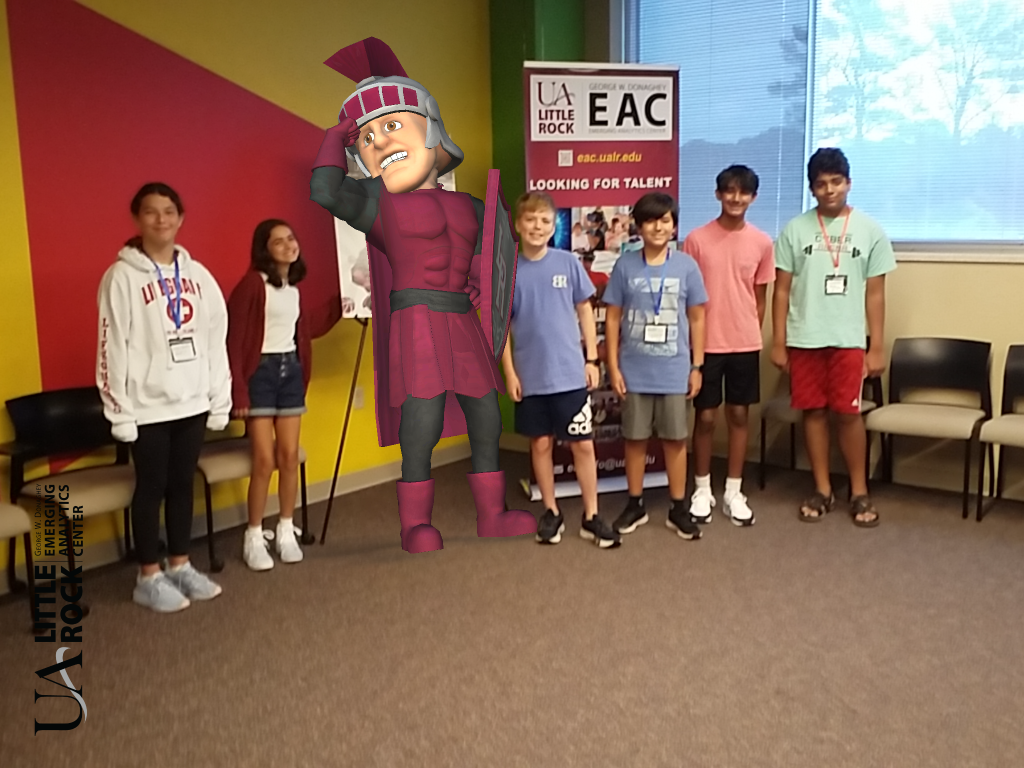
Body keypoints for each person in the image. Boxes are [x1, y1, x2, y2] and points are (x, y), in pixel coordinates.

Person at [309, 37, 535, 554]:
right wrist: (335, 134)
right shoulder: (376, 205)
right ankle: (415, 525)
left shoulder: (473, 207)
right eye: (366, 139)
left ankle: (492, 513)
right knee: (424, 418)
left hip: (462, 317)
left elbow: (491, 271)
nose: (381, 143)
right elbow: (324, 191)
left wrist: (488, 305)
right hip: (416, 315)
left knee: (485, 415)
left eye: (392, 126)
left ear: (433, 133)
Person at [96, 182, 231, 613]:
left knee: (181, 485)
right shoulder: (121, 277)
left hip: (191, 402)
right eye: (151, 212)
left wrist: (219, 398)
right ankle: (148, 575)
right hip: (147, 407)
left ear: (181, 217)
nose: (161, 219)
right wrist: (119, 411)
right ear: (138, 219)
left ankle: (179, 563)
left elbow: (216, 340)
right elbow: (111, 346)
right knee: (151, 486)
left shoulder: (198, 275)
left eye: (169, 211)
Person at [771, 147, 895, 527]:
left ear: (848, 183)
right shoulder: (795, 229)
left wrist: (876, 347)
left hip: (848, 340)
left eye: (836, 182)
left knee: (848, 414)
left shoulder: (870, 231)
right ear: (812, 189)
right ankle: (822, 489)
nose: (829, 190)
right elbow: (780, 290)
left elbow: (875, 293)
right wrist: (778, 341)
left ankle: (859, 491)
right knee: (813, 412)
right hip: (804, 336)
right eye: (821, 184)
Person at [501, 191, 620, 548]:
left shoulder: (567, 263)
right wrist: (510, 373)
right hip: (531, 376)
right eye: (531, 220)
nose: (538, 227)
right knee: (540, 444)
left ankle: (591, 515)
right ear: (519, 225)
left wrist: (592, 359)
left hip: (570, 373)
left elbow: (585, 310)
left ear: (554, 227)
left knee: (583, 445)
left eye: (545, 221)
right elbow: (500, 328)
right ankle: (551, 511)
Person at [226, 220, 341, 571]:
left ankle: (286, 527)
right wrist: (238, 392)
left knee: (289, 456)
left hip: (290, 373)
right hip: (259, 374)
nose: (289, 245)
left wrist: (346, 304)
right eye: (279, 242)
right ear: (265, 249)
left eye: (291, 238)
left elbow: (308, 327)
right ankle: (254, 533)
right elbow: (234, 340)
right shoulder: (251, 285)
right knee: (264, 460)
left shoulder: (292, 289)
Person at [603, 193, 708, 541]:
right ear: (638, 226)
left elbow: (697, 317)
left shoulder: (687, 266)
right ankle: (635, 503)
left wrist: (697, 365)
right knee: (634, 439)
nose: (658, 227)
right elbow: (613, 317)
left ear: (674, 225)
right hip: (634, 368)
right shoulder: (625, 266)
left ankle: (678, 507)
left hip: (674, 368)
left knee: (676, 439)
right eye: (650, 221)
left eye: (665, 220)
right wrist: (613, 366)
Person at [683, 165, 775, 526]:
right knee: (705, 417)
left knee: (738, 415)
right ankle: (701, 488)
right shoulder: (696, 239)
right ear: (718, 194)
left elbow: (760, 297)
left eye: (744, 192)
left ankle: (734, 490)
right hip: (705, 344)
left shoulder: (762, 242)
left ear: (753, 197)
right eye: (729, 191)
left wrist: (752, 334)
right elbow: (687, 297)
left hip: (744, 344)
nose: (736, 198)